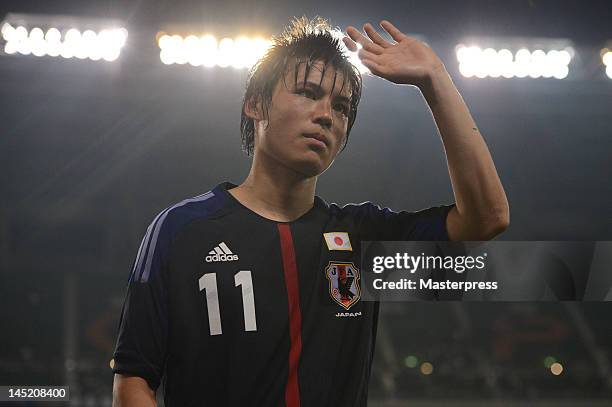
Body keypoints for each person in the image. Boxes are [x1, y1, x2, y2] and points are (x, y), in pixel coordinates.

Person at [111, 16, 509, 406]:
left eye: (341, 107)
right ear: (255, 104)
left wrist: (435, 79)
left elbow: (487, 218)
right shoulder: (183, 230)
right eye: (306, 92)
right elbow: (133, 383)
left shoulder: (362, 243)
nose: (325, 115)